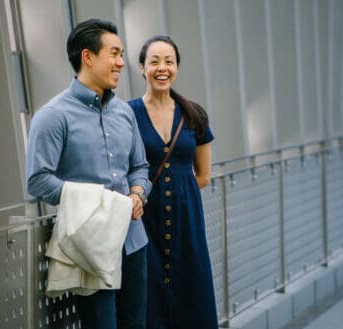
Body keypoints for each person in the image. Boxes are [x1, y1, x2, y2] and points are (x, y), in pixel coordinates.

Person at [25, 18, 151, 329]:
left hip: (134, 242)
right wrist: (96, 203)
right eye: (114, 53)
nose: (122, 63)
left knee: (135, 324)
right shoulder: (53, 117)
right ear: (88, 57)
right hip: (89, 244)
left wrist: (137, 192)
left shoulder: (125, 112)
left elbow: (140, 166)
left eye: (122, 54)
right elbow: (38, 179)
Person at [128, 35, 218, 329]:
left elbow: (203, 175)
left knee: (191, 288)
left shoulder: (194, 115)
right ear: (142, 68)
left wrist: (180, 194)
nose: (162, 67)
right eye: (154, 61)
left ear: (177, 67)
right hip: (144, 220)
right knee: (148, 291)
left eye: (169, 61)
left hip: (187, 219)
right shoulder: (126, 114)